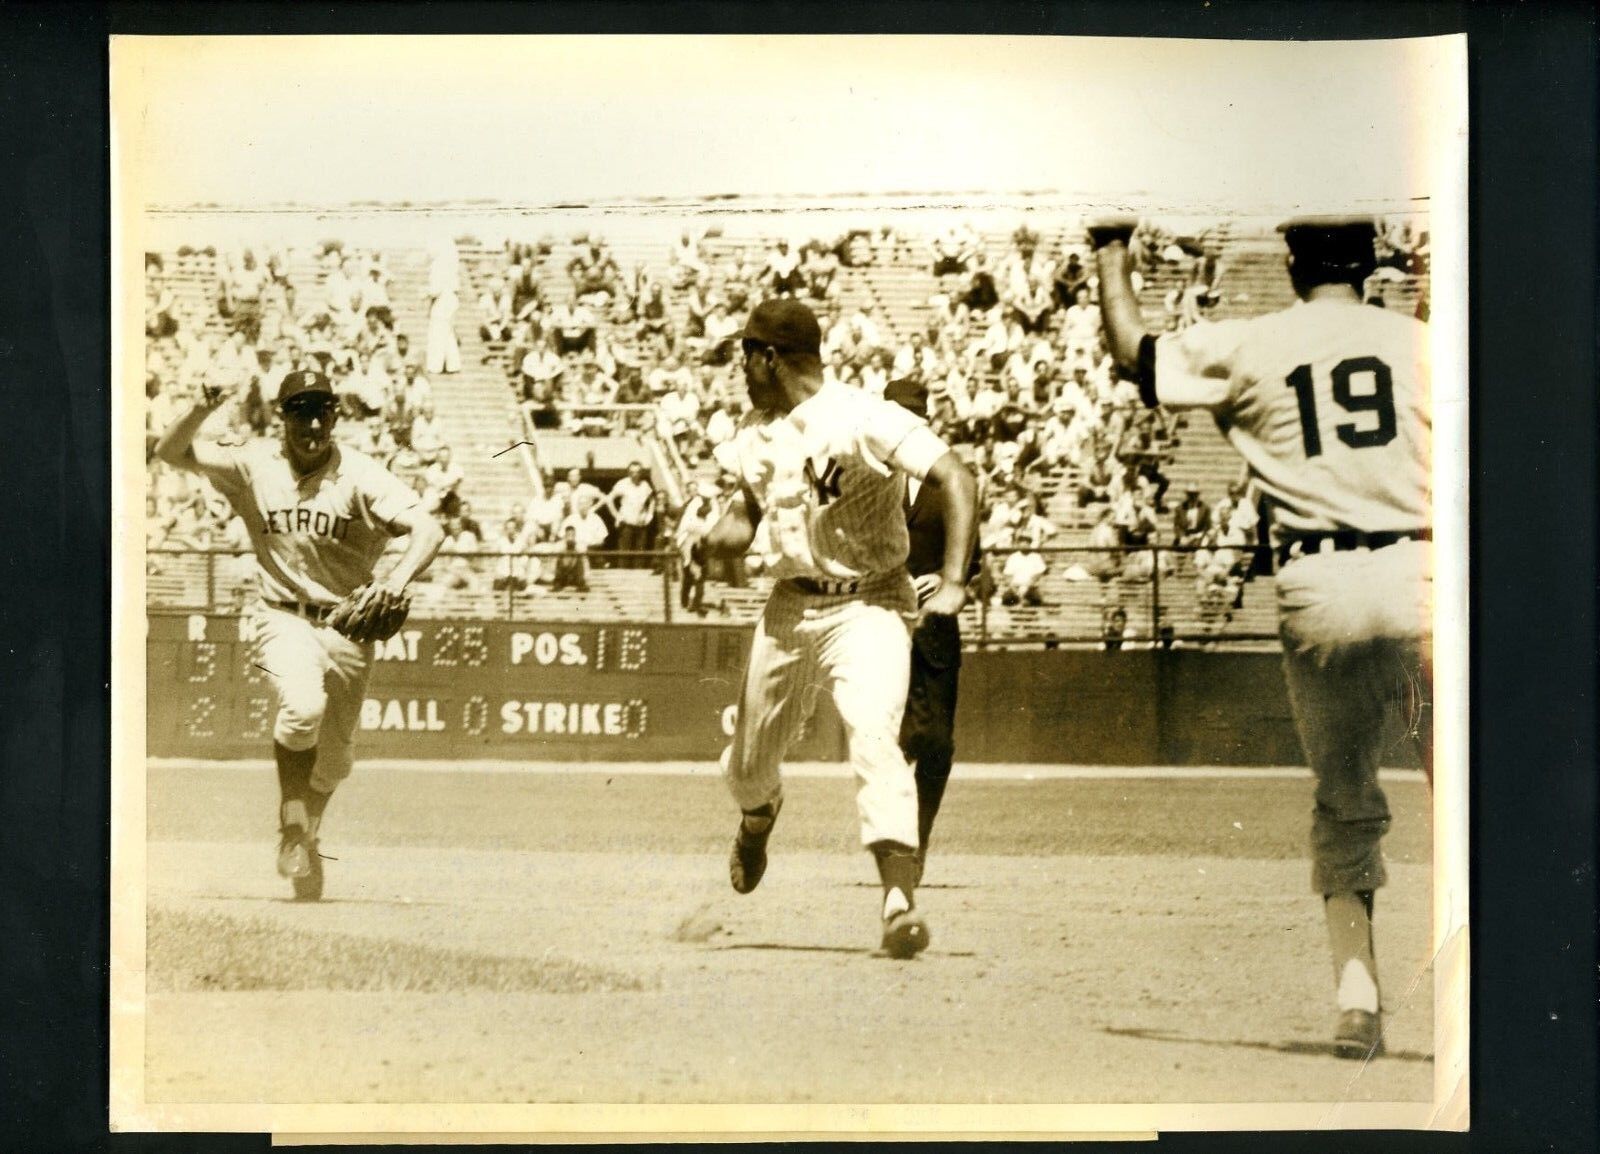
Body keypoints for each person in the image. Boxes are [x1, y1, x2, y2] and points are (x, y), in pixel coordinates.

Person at [1090, 214, 1431, 1060]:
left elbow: (1135, 352)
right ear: (1372, 263)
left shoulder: (1252, 342)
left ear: (1290, 265)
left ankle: (1358, 999)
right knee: (1471, 795)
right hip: (1424, 576)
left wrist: (1108, 245)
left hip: (1318, 584)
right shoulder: (1425, 340)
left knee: (1346, 800)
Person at [703, 299, 978, 960]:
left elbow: (956, 476)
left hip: (871, 601)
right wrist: (716, 541)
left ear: (770, 356)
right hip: (791, 607)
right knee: (747, 769)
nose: (739, 369)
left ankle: (897, 903)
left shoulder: (866, 416)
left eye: (745, 355)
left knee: (874, 733)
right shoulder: (752, 431)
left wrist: (957, 579)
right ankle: (758, 814)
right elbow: (747, 517)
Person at [151, 369, 444, 900]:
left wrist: (397, 579)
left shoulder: (360, 473)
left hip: (347, 624)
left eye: (322, 411)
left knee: (335, 762)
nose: (312, 424)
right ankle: (291, 822)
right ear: (281, 417)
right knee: (302, 707)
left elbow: (430, 529)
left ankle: (306, 838)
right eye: (300, 412)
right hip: (280, 614)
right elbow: (170, 453)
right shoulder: (252, 463)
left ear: (336, 415)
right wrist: (198, 408)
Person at [884, 378, 980, 884]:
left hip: (934, 627)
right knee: (891, 743)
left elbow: (972, 556)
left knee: (937, 742)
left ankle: (917, 841)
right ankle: (896, 848)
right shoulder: (864, 478)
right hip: (879, 626)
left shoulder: (949, 484)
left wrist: (945, 577)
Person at [605, 462, 656, 566]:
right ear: (628, 473)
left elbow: (652, 500)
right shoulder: (622, 484)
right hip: (626, 524)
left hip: (641, 524)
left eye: (637, 472)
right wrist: (616, 515)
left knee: (640, 554)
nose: (635, 474)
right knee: (624, 554)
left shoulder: (645, 485)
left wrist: (649, 515)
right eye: (632, 472)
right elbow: (609, 499)